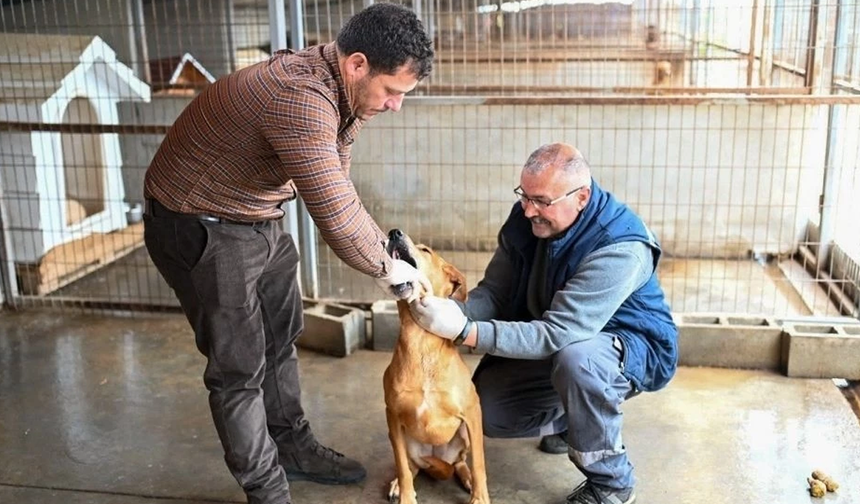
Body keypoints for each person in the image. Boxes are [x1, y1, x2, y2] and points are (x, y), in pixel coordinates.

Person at [142, 5, 433, 504]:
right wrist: (391, 272)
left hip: (257, 213)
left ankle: (293, 447)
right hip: (199, 222)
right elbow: (336, 216)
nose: (395, 106)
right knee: (238, 366)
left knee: (282, 335)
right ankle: (267, 490)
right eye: (393, 91)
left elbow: (336, 182)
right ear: (358, 64)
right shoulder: (300, 98)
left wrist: (383, 252)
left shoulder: (345, 93)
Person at [410, 143, 678, 504]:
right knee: (486, 409)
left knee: (578, 360)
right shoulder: (528, 221)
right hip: (559, 339)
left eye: (541, 201)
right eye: (524, 195)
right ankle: (573, 421)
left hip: (628, 349)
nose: (528, 209)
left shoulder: (619, 247)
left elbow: (558, 333)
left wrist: (464, 331)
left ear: (581, 196)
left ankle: (611, 483)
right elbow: (497, 291)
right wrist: (456, 310)